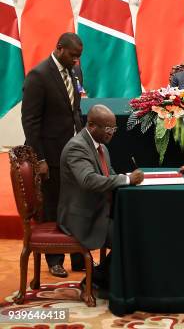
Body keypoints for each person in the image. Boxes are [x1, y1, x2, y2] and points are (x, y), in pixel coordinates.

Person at [57, 105, 144, 295]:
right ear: (91, 125)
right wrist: (128, 179)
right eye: (108, 128)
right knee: (128, 236)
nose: (112, 133)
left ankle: (105, 279)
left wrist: (128, 179)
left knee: (137, 230)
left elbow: (109, 177)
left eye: (114, 128)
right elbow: (88, 180)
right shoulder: (77, 147)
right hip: (81, 217)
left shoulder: (102, 147)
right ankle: (95, 280)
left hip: (100, 210)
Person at [21, 32, 85, 277]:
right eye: (72, 55)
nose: (76, 61)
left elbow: (75, 112)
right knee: (53, 206)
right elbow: (30, 122)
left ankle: (80, 258)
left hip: (74, 152)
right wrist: (40, 159)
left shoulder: (75, 71)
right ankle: (54, 259)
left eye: (79, 57)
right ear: (59, 49)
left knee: (78, 202)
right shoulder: (38, 76)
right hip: (49, 153)